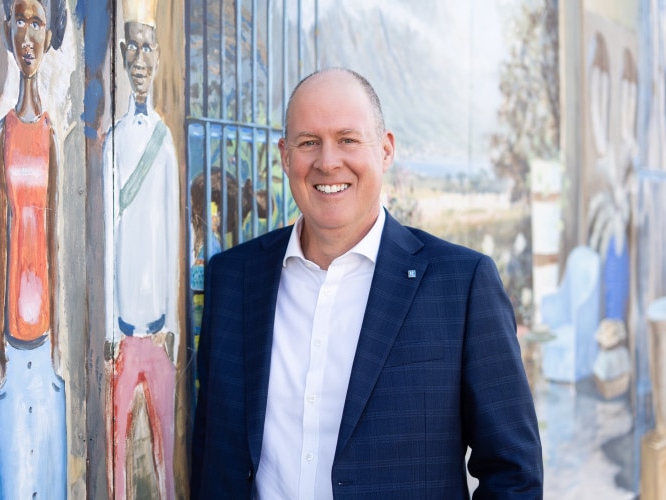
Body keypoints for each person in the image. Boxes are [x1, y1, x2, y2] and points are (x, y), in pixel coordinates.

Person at [191, 67, 543, 498]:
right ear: (285, 156)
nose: (327, 161)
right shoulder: (233, 279)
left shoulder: (462, 285)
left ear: (386, 149)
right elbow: (212, 457)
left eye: (348, 139)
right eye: (308, 143)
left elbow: (514, 473)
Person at [0, 0, 68, 497]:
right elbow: (1, 236)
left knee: (51, 483)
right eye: (20, 22)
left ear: (47, 33)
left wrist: (57, 340)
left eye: (36, 23)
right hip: (12, 343)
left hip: (45, 344)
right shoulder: (4, 135)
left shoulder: (51, 138)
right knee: (15, 484)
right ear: (8, 31)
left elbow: (54, 237)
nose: (27, 35)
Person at [102, 0, 180, 496]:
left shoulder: (164, 141)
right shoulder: (113, 142)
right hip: (124, 328)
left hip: (158, 332)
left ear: (156, 57)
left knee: (164, 454)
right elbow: (110, 232)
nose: (139, 60)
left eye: (147, 48)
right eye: (131, 48)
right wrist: (111, 321)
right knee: (116, 459)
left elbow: (172, 232)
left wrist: (172, 319)